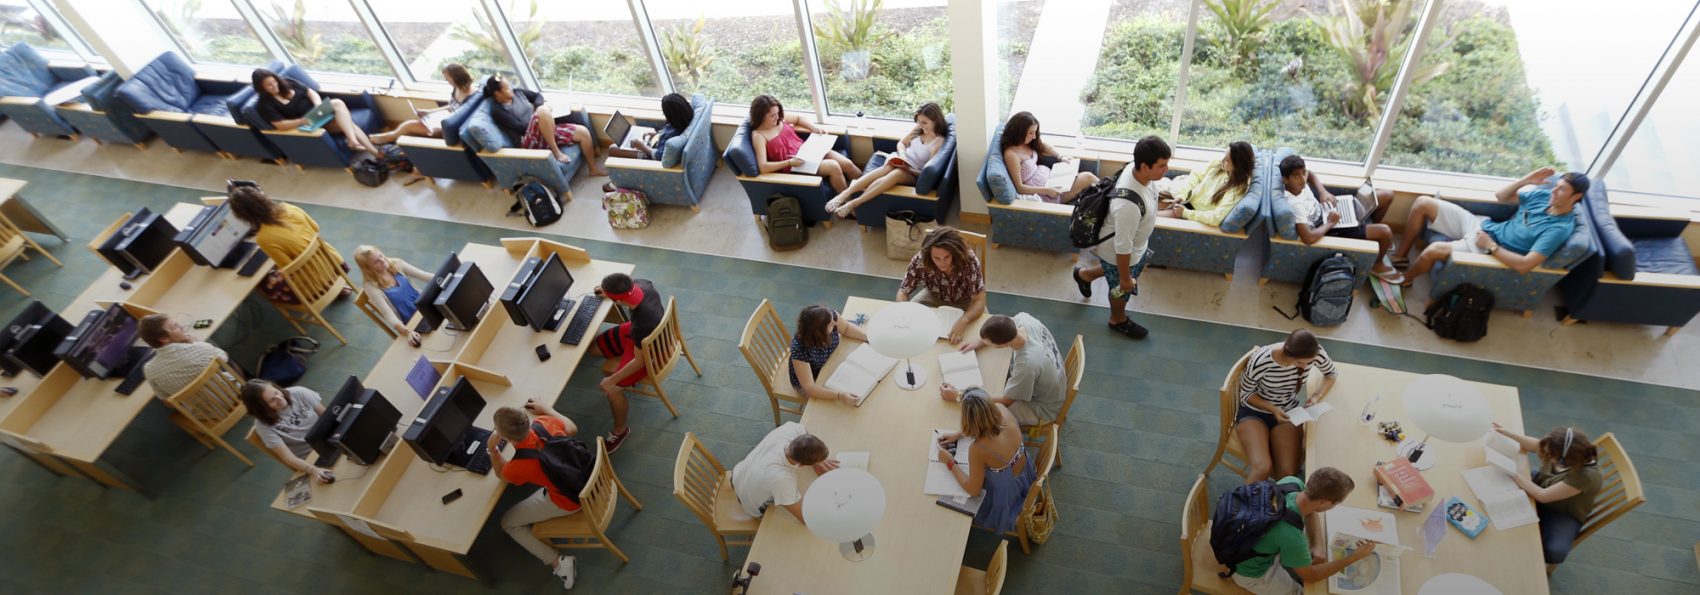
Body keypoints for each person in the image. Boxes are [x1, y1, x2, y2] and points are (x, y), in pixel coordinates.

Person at [1394, 167, 1586, 284]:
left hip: (1490, 248)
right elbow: (1501, 196)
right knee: (1422, 203)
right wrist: (1526, 180)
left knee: (1433, 250)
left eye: (1561, 189)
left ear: (1576, 197)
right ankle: (1401, 256)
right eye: (1556, 185)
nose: (1554, 190)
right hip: (1484, 226)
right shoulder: (1543, 196)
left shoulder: (1558, 229)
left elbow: (1524, 266)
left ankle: (1405, 280)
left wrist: (1491, 246)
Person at [1073, 135, 1170, 340]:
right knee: (1120, 289)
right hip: (1122, 252)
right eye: (1162, 166)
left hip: (1137, 246)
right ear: (1144, 166)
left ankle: (1085, 275)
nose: (1166, 170)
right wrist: (1125, 279)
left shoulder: (1137, 172)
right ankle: (1117, 319)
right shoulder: (1128, 206)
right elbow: (1122, 248)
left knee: (1116, 271)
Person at [1229, 468, 1376, 595]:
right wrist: (1354, 557)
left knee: (1292, 548)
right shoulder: (1292, 536)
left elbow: (1311, 511)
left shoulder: (1292, 482)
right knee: (1300, 592)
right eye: (1336, 503)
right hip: (1250, 572)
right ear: (1325, 502)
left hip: (1243, 539)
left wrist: (1317, 545)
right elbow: (1311, 576)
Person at [488, 401, 581, 589]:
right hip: (584, 476)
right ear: (527, 420)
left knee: (508, 523)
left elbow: (501, 474)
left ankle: (558, 562)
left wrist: (492, 449)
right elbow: (572, 428)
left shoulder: (519, 466)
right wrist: (547, 409)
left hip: (568, 501)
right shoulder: (545, 422)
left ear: (503, 436)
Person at [1489, 424, 1602, 568]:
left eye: (1550, 455)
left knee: (1555, 551)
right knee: (1496, 489)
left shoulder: (1585, 477)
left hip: (1561, 511)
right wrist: (1508, 434)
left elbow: (1542, 496)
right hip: (1544, 485)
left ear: (1564, 460)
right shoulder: (1563, 449)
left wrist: (1512, 471)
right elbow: (1536, 445)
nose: (1544, 453)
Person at [1235, 329, 1338, 483]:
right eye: (1300, 362)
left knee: (1288, 474)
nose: (1305, 366)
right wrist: (1272, 409)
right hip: (1254, 412)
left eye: (1309, 362)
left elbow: (1331, 374)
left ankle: (1279, 504)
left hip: (1289, 412)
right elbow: (1246, 394)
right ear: (1286, 352)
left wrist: (1316, 396)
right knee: (1263, 468)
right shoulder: (1262, 360)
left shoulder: (1315, 353)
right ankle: (1239, 506)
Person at [1278, 154, 1402, 281]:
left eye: (1303, 173)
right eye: (1296, 175)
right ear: (1285, 179)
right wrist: (1331, 223)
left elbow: (1311, 174)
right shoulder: (1295, 205)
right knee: (1385, 232)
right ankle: (1377, 264)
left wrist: (1323, 192)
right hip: (1328, 228)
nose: (1303, 179)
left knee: (1387, 195)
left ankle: (1371, 236)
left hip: (1327, 209)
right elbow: (1308, 238)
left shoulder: (1300, 184)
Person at [934, 388, 1035, 533]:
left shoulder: (978, 449)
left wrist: (949, 461)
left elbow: (973, 490)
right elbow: (988, 426)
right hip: (1023, 474)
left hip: (1004, 495)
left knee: (946, 499)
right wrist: (961, 433)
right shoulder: (1001, 409)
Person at [824, 102, 949, 218]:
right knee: (888, 167)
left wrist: (908, 169)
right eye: (919, 121)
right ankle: (844, 195)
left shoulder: (938, 142)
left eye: (924, 123)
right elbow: (901, 143)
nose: (920, 125)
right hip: (902, 160)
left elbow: (927, 172)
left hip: (913, 172)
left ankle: (855, 202)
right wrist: (902, 156)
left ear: (935, 120)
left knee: (897, 173)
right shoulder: (918, 129)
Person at [591, 273, 667, 453]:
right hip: (638, 333)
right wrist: (607, 292)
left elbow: (639, 361)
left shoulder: (642, 325)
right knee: (593, 349)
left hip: (651, 349)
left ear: (618, 299)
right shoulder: (643, 284)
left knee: (613, 390)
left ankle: (620, 431)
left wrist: (611, 380)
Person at [950, 314, 1064, 426]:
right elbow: (1002, 325)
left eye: (988, 343)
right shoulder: (1024, 319)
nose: (985, 343)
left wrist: (961, 395)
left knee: (981, 415)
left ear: (1004, 345)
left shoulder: (1027, 365)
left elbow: (1006, 401)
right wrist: (980, 341)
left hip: (1043, 408)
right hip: (1056, 381)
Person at [482, 75, 606, 175]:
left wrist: (537, 109)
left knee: (583, 132)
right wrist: (539, 115)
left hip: (544, 130)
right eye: (506, 87)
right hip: (527, 140)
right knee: (543, 110)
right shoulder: (497, 110)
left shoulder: (518, 92)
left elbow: (538, 96)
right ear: (497, 93)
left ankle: (593, 169)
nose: (511, 88)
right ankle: (556, 152)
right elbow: (521, 128)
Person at [250, 68, 382, 157]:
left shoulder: (287, 82)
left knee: (349, 123)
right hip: (307, 124)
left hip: (318, 114)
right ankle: (355, 142)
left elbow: (310, 92)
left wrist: (318, 105)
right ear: (261, 88)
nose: (275, 86)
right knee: (337, 103)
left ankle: (373, 152)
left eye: (274, 81)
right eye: (269, 85)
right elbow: (280, 125)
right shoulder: (265, 104)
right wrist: (302, 121)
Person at [749, 94, 860, 192]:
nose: (777, 117)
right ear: (761, 116)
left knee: (847, 164)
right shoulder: (759, 136)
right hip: (795, 166)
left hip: (808, 151)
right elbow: (763, 167)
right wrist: (790, 162)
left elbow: (798, 118)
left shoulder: (779, 118)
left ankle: (870, 187)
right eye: (772, 115)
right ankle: (847, 205)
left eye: (777, 113)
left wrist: (814, 128)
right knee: (833, 166)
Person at [731, 421, 838, 522]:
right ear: (801, 465)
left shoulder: (790, 430)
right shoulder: (782, 480)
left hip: (737, 474)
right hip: (749, 503)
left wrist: (815, 460)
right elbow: (805, 517)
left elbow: (803, 430)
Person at [896, 227, 987, 344]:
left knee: (985, 333)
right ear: (929, 255)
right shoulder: (921, 258)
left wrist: (965, 319)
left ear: (954, 253)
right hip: (933, 296)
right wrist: (904, 312)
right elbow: (903, 290)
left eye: (947, 257)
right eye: (936, 258)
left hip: (966, 300)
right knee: (908, 329)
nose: (942, 263)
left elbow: (979, 300)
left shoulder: (969, 261)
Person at [228, 185, 346, 269]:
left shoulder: (264, 239)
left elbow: (288, 266)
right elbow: (315, 228)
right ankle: (340, 287)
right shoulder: (289, 208)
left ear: (244, 216)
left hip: (318, 283)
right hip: (335, 261)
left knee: (266, 284)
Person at [237, 379, 333, 483]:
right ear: (261, 408)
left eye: (277, 392)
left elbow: (326, 417)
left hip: (330, 439)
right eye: (271, 400)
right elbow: (287, 457)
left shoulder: (299, 392)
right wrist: (312, 469)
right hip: (312, 457)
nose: (279, 399)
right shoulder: (263, 426)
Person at [999, 111, 1097, 203]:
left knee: (1089, 181)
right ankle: (1110, 193)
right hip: (1047, 194)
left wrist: (1060, 156)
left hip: (1052, 180)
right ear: (1019, 131)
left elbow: (1044, 146)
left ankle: (1109, 194)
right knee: (1088, 177)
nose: (1034, 137)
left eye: (1035, 132)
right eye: (1030, 133)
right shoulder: (1011, 155)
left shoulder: (1026, 142)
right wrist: (1046, 190)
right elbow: (1019, 187)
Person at [370, 63, 477, 144]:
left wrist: (440, 129)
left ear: (456, 77)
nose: (446, 80)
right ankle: (389, 138)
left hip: (448, 126)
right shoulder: (456, 88)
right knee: (409, 130)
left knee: (408, 127)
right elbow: (452, 107)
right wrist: (428, 112)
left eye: (448, 78)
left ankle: (386, 138)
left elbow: (462, 120)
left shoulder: (471, 96)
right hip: (445, 119)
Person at [788, 304, 869, 404]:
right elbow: (810, 387)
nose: (835, 323)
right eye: (830, 324)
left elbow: (846, 328)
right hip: (812, 378)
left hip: (828, 365)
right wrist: (840, 395)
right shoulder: (800, 349)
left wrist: (869, 338)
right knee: (827, 407)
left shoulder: (829, 315)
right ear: (819, 333)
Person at [1159, 141, 1254, 226]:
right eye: (1224, 155)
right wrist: (1182, 195)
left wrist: (1185, 213)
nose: (1222, 160)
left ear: (1238, 165)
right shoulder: (1217, 166)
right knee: (1150, 202)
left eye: (1227, 159)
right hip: (1186, 199)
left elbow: (1216, 218)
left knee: (1151, 217)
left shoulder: (1236, 190)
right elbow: (1196, 175)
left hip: (1193, 212)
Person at [353, 245, 431, 347]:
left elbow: (426, 276)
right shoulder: (371, 287)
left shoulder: (396, 263)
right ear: (368, 269)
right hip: (412, 323)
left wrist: (451, 276)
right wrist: (408, 332)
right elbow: (390, 317)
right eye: (377, 261)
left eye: (381, 255)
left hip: (427, 307)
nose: (383, 260)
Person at [138, 313, 231, 397]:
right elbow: (224, 358)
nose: (181, 327)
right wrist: (196, 342)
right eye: (175, 327)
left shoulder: (148, 370)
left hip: (204, 414)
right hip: (232, 395)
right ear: (163, 338)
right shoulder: (197, 347)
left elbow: (165, 398)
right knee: (228, 361)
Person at [604, 92, 692, 161]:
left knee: (613, 149)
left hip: (649, 156)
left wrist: (642, 147)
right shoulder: (684, 120)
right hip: (655, 143)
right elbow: (667, 132)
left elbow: (659, 156)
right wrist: (656, 134)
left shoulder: (671, 136)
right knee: (623, 146)